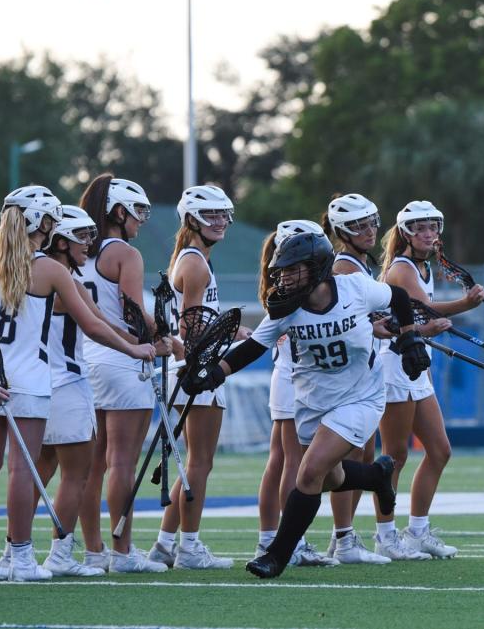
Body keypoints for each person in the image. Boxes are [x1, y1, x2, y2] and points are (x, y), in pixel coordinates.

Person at [182, 228, 431, 579]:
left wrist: (408, 339)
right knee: (329, 476)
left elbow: (400, 297)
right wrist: (214, 373)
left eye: (291, 269)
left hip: (361, 396)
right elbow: (253, 348)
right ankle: (377, 474)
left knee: (308, 472)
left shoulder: (354, 289)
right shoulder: (287, 310)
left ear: (316, 266)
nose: (283, 277)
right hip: (313, 401)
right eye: (280, 271)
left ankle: (277, 556)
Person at [0, 185, 154, 582]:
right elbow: (93, 325)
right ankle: (21, 559)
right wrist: (135, 350)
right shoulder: (50, 270)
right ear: (39, 221)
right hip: (28, 380)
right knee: (22, 472)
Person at [375, 200, 484, 559]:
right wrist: (465, 304)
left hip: (417, 366)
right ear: (406, 232)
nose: (428, 234)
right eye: (420, 228)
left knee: (439, 450)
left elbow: (424, 317)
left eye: (433, 227)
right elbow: (426, 310)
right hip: (395, 367)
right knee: (394, 455)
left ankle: (418, 531)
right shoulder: (403, 269)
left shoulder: (422, 268)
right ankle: (385, 535)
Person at [148, 185, 250, 570]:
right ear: (191, 219)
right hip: (197, 370)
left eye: (224, 214)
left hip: (194, 368)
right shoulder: (194, 264)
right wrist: (209, 355)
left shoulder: (193, 260)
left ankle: (163, 544)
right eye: (212, 215)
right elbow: (191, 329)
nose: (221, 221)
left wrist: (241, 334)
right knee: (199, 464)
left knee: (194, 462)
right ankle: (188, 547)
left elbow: (202, 319)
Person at [75, 175, 172, 574]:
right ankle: (123, 551)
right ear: (118, 211)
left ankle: (93, 551)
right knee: (121, 463)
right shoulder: (126, 255)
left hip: (84, 361)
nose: (141, 220)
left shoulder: (78, 251)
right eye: (137, 211)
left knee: (90, 465)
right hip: (122, 360)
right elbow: (132, 312)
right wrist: (164, 337)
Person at [319, 194, 404, 563]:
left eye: (371, 222)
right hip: (347, 378)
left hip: (362, 372)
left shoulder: (358, 265)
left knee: (364, 455)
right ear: (341, 232)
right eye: (358, 226)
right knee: (349, 459)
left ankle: (344, 538)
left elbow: (357, 319)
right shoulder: (345, 269)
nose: (369, 231)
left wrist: (377, 326)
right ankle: (343, 537)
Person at [253, 221, 339, 568]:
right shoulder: (293, 292)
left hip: (285, 377)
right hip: (295, 379)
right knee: (291, 462)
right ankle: (291, 540)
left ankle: (268, 537)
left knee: (279, 460)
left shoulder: (280, 288)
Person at [35, 205, 108, 577]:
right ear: (59, 240)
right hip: (67, 382)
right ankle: (60, 555)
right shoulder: (64, 282)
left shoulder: (21, 275)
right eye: (82, 236)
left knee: (37, 471)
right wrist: (144, 345)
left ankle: (12, 551)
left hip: (34, 384)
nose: (89, 244)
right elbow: (99, 325)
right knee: (77, 473)